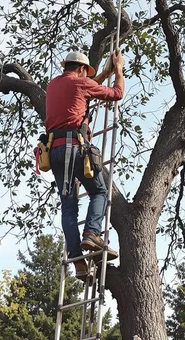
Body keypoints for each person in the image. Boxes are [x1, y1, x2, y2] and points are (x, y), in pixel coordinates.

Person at [45, 50, 125, 278]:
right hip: (75, 148)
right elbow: (116, 94)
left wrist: (103, 73)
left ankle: (78, 262)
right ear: (81, 69)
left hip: (55, 151)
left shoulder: (53, 86)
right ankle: (92, 233)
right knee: (99, 191)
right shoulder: (81, 86)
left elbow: (84, 90)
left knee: (68, 206)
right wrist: (117, 70)